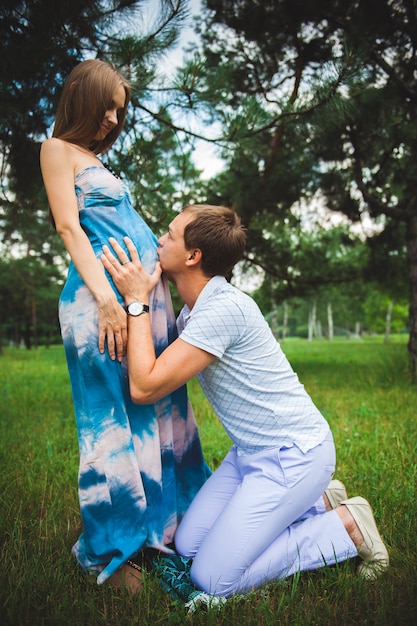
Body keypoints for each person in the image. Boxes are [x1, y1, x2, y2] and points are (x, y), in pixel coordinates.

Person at [101, 204, 389, 598]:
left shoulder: (223, 311)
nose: (159, 239)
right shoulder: (195, 311)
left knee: (213, 578)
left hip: (294, 457)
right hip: (250, 455)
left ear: (192, 256)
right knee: (188, 545)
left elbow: (145, 386)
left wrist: (136, 300)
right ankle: (318, 500)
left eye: (169, 234)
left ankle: (345, 525)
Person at [40, 60, 210, 591]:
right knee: (110, 422)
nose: (114, 118)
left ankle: (165, 532)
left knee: (159, 411)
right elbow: (70, 228)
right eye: (107, 105)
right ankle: (117, 551)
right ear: (83, 98)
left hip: (140, 302)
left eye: (120, 109)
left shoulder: (99, 162)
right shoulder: (58, 151)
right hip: (102, 307)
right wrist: (107, 301)